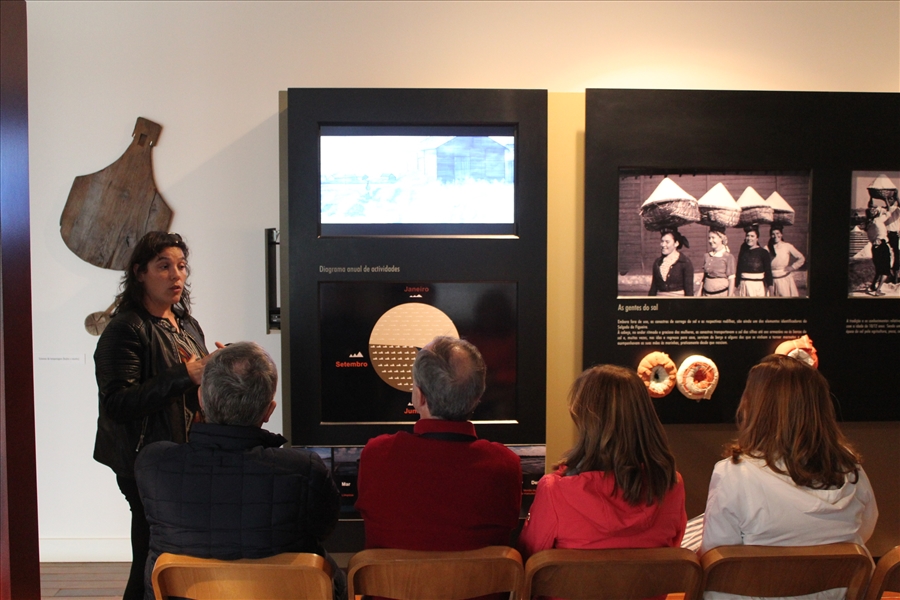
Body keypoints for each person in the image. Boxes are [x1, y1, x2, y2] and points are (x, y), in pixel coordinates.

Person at [135, 342, 344, 600]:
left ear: (200, 399)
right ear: (269, 411)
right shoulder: (305, 469)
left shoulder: (153, 464)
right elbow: (323, 529)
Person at [93, 231, 217, 600]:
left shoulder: (186, 323)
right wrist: (187, 374)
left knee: (174, 558)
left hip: (186, 455)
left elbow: (194, 386)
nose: (176, 275)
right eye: (164, 266)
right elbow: (118, 403)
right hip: (145, 461)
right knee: (151, 557)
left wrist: (219, 370)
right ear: (139, 272)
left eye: (181, 266)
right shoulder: (125, 329)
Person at [700, 355, 878, 600]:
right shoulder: (850, 469)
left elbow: (717, 558)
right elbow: (865, 528)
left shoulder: (733, 474)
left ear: (753, 407)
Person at [356, 336, 522, 552]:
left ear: (419, 397)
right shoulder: (506, 465)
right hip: (477, 577)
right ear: (477, 396)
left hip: (394, 576)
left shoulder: (377, 455)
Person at [519, 365, 686, 561]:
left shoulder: (555, 491)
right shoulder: (671, 484)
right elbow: (673, 546)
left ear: (585, 421)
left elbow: (529, 560)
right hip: (649, 582)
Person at [649, 228, 695, 296]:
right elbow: (653, 289)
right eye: (662, 241)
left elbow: (689, 292)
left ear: (676, 243)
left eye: (667, 242)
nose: (663, 245)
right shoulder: (657, 262)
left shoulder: (685, 262)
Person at [767, 224, 806, 297]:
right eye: (773, 234)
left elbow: (801, 258)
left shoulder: (787, 246)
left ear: (781, 234)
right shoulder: (766, 248)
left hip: (784, 278)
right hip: (771, 279)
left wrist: (793, 267)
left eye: (777, 233)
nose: (775, 236)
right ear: (770, 235)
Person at [735, 225, 773, 297]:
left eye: (752, 236)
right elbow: (738, 269)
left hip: (757, 286)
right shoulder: (743, 251)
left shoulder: (763, 252)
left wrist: (770, 288)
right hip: (744, 285)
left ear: (757, 238)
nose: (749, 238)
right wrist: (736, 285)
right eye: (747, 236)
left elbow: (768, 272)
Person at [702, 227, 736, 296]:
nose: (710, 241)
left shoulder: (728, 257)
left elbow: (731, 279)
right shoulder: (707, 256)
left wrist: (729, 298)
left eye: (713, 238)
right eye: (709, 238)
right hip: (706, 295)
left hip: (721, 295)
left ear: (721, 238)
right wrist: (699, 293)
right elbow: (704, 277)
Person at [866, 203, 891, 296]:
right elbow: (888, 213)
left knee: (879, 269)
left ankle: (873, 286)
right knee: (885, 270)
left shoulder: (868, 224)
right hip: (882, 245)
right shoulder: (878, 220)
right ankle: (878, 290)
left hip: (874, 247)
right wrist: (886, 202)